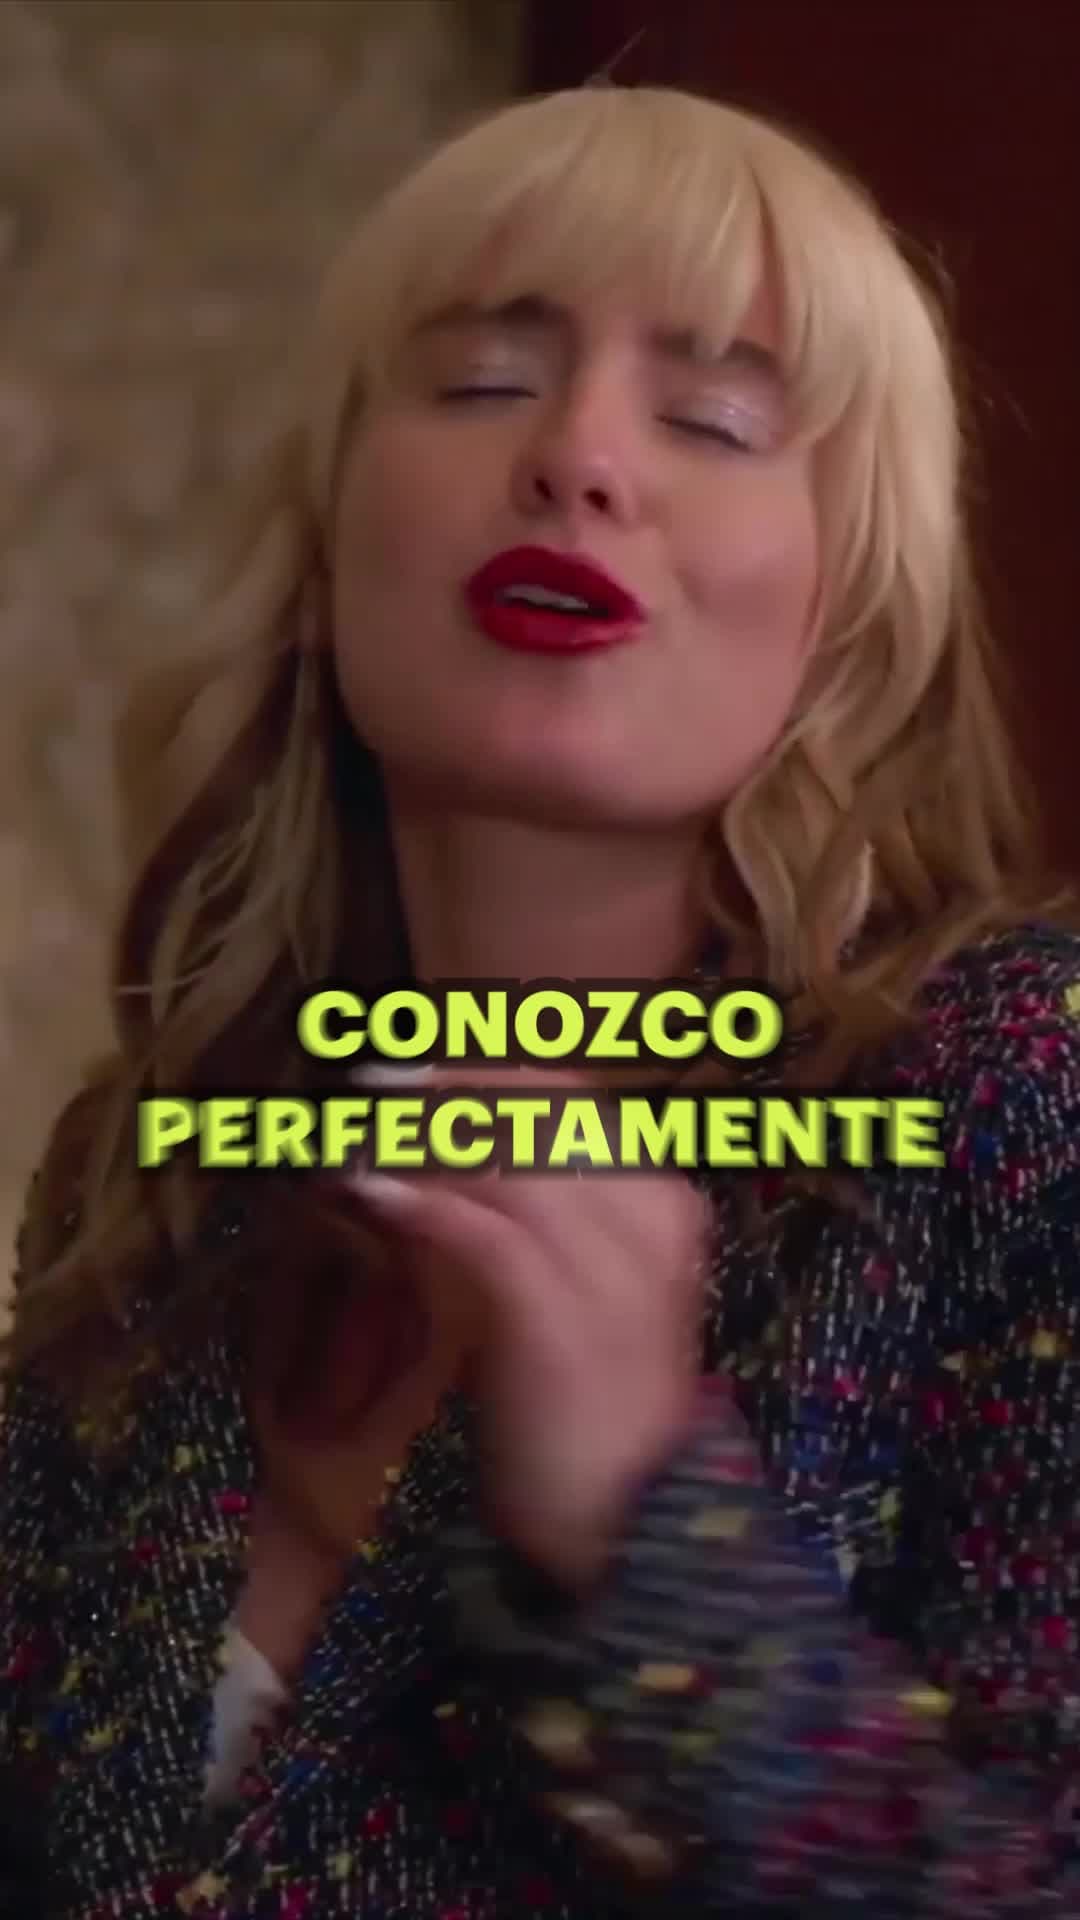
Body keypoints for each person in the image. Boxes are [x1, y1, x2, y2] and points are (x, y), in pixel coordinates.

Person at [2, 81, 1079, 1920]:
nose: (579, 456)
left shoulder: (1020, 1092)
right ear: (326, 556)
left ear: (853, 614)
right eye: (482, 380)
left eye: (715, 419)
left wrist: (646, 1528)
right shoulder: (153, 1165)